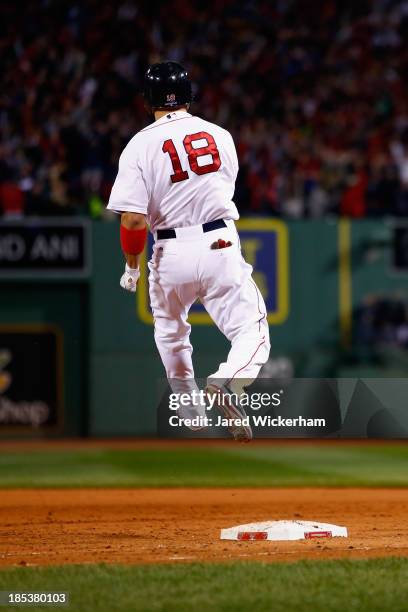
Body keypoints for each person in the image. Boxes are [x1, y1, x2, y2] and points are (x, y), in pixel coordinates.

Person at [107, 61, 270, 441]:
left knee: (171, 334)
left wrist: (132, 267)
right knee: (251, 329)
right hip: (219, 243)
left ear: (148, 101)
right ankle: (228, 381)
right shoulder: (220, 135)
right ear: (189, 96)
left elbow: (132, 222)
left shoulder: (139, 144)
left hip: (169, 251)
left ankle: (191, 411)